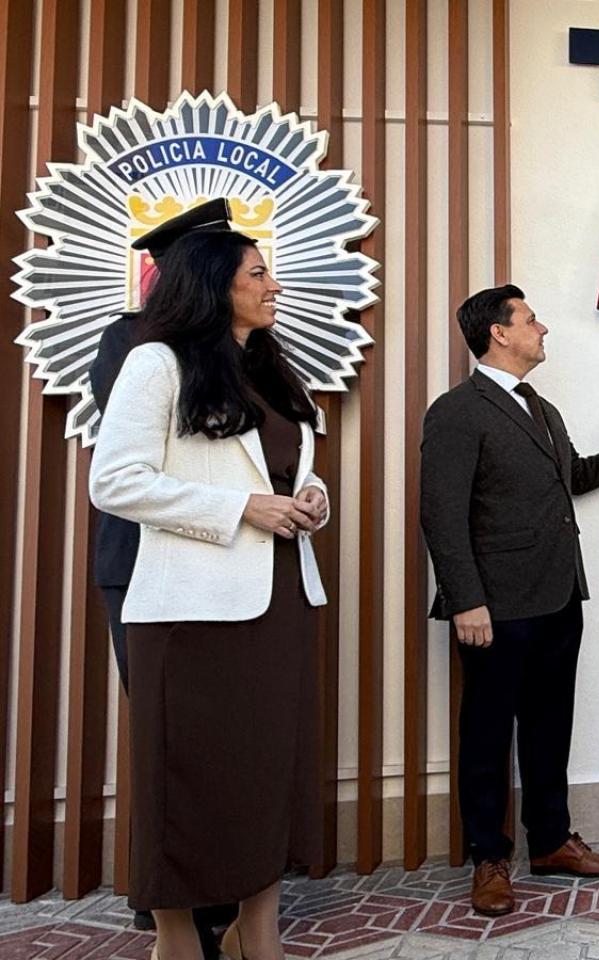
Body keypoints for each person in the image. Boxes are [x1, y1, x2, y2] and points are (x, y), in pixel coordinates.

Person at [90, 213, 332, 960]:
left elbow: (285, 470)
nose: (274, 285)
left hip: (280, 597)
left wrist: (312, 497)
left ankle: (256, 934)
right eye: (258, 273)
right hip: (190, 610)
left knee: (266, 773)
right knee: (186, 782)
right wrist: (240, 509)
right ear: (213, 284)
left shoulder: (269, 365)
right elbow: (114, 481)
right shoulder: (155, 362)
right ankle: (175, 942)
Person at [420, 285, 599, 917]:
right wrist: (466, 600)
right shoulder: (456, 411)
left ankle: (551, 842)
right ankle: (488, 858)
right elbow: (441, 515)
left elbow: (572, 478)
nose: (543, 328)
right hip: (494, 607)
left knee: (551, 726)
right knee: (487, 734)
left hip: (558, 596)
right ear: (499, 333)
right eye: (531, 319)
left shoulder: (541, 408)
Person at [88, 200, 242, 957]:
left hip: (225, 562)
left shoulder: (240, 345)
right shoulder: (135, 342)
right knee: (168, 740)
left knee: (218, 739)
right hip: (146, 563)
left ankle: (221, 888)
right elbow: (149, 458)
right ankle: (170, 906)